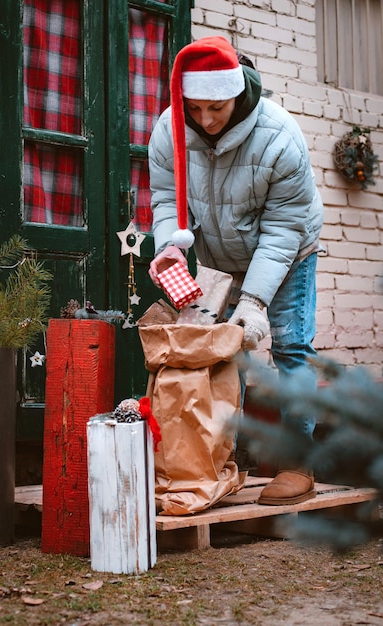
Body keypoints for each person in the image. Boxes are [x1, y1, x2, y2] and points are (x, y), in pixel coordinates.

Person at [147, 36, 324, 505]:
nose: (204, 119)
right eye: (195, 107)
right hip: (218, 256)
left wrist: (255, 301)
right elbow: (167, 199)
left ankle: (297, 463)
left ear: (237, 93)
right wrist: (170, 246)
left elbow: (286, 227)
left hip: (286, 252)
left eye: (216, 108)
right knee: (221, 354)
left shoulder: (280, 136)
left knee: (290, 349)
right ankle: (221, 460)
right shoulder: (169, 129)